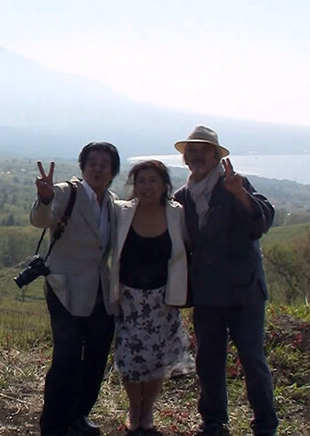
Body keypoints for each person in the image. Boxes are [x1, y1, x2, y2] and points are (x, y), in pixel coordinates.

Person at [172, 126, 278, 436]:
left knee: (252, 359)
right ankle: (213, 421)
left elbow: (262, 222)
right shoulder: (182, 197)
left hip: (244, 290)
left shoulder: (234, 183)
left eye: (202, 150)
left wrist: (241, 195)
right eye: (191, 152)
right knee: (208, 360)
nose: (196, 156)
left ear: (216, 156)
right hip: (207, 293)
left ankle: (265, 424)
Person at [30, 142, 120, 436]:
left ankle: (79, 415)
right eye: (92, 162)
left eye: (104, 164)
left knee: (96, 356)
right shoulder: (66, 192)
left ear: (113, 171)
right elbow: (41, 219)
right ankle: (54, 425)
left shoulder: (112, 204)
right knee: (66, 359)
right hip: (64, 288)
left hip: (100, 291)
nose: (98, 168)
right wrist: (45, 198)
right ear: (83, 166)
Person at [111, 160, 195, 436]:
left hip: (163, 299)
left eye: (153, 180)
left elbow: (187, 248)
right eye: (141, 181)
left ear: (164, 185)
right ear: (133, 185)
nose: (146, 186)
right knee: (130, 359)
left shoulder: (176, 213)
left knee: (157, 358)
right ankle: (134, 408)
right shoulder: (122, 212)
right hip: (128, 299)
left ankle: (147, 409)